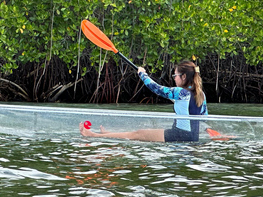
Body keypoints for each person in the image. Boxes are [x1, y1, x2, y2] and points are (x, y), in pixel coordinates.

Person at [79, 60, 207, 142]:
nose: (174, 78)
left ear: (183, 77)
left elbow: (156, 88)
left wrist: (142, 74)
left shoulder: (180, 92)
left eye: (175, 75)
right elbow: (203, 117)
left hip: (179, 135)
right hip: (193, 138)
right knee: (138, 133)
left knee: (137, 134)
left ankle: (94, 135)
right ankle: (109, 134)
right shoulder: (201, 95)